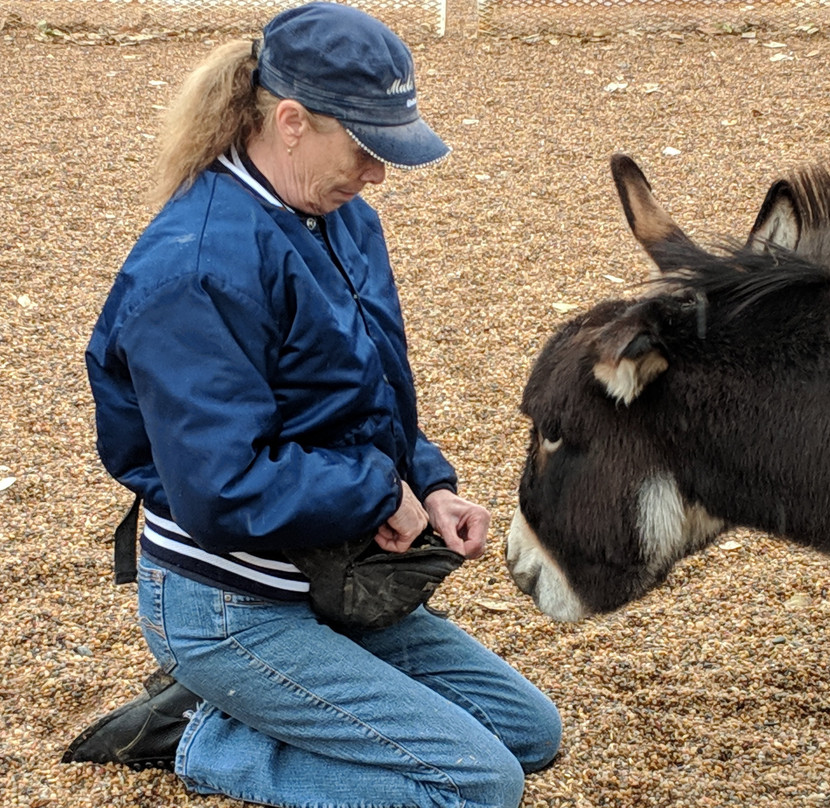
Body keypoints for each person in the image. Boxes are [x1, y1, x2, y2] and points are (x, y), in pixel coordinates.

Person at [63, 3, 562, 806]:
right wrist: (374, 493)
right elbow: (221, 486)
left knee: (530, 735)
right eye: (366, 147)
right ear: (291, 121)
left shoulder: (339, 218)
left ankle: (267, 706)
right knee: (478, 787)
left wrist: (426, 482)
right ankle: (205, 738)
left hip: (328, 576)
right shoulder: (195, 268)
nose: (378, 174)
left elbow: (367, 391)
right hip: (225, 604)